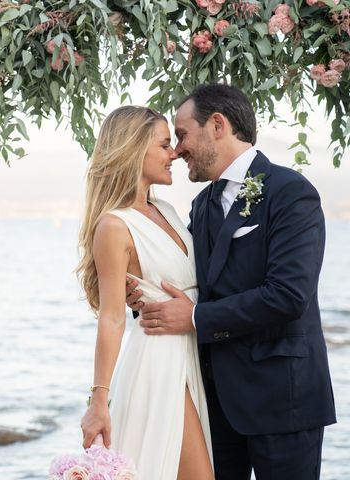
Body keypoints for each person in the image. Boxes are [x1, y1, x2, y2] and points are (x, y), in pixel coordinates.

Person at [126, 83, 336, 480]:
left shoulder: (290, 192)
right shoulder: (201, 206)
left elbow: (288, 295)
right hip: (216, 403)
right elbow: (189, 282)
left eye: (183, 134)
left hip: (283, 402)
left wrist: (194, 318)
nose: (178, 149)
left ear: (217, 125)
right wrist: (142, 293)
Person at [78, 105, 214, 480]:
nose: (174, 154)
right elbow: (111, 316)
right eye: (164, 144)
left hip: (189, 356)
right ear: (134, 149)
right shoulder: (114, 225)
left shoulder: (166, 210)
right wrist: (98, 400)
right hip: (158, 363)